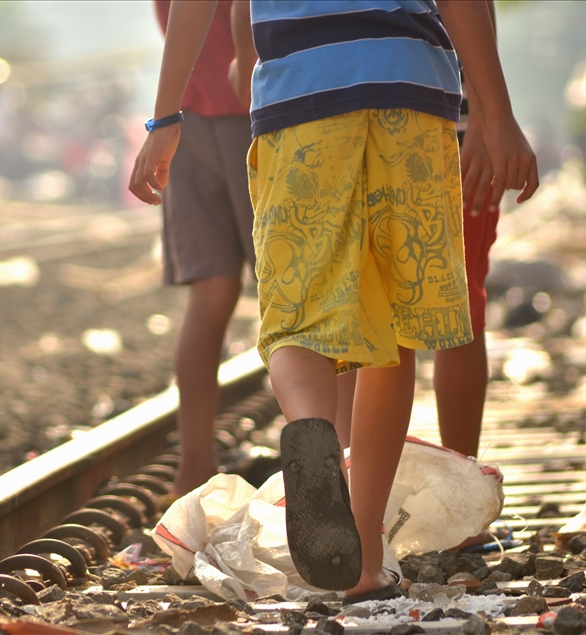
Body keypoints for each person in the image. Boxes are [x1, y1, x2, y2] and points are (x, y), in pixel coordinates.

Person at [129, 0, 538, 601]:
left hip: (300, 98)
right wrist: (496, 115)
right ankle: (367, 557)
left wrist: (166, 118)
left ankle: (312, 424)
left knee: (295, 316)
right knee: (393, 333)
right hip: (410, 92)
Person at [335, 1, 503, 461]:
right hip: (425, 110)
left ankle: (357, 495)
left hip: (367, 107)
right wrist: (491, 116)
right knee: (451, 311)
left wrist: (490, 118)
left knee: (360, 308)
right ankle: (362, 495)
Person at [150, 1, 257, 500]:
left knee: (210, 295)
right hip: (260, 108)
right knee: (298, 294)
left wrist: (162, 117)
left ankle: (193, 468)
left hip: (185, 114)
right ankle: (345, 462)